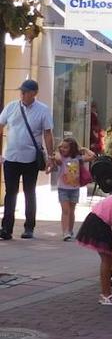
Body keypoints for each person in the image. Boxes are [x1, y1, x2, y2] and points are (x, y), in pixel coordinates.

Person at [0, 78, 57, 240]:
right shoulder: (11, 107)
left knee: (29, 192)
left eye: (25, 92)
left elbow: (47, 133)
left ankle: (29, 227)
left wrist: (51, 156)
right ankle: (6, 228)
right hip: (11, 157)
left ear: (34, 94)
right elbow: (0, 126)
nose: (22, 94)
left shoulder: (42, 110)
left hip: (31, 158)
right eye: (21, 91)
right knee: (10, 193)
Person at [54, 136, 94, 241]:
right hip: (62, 188)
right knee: (65, 210)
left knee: (72, 210)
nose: (63, 149)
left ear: (72, 149)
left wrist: (84, 149)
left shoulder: (77, 158)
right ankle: (65, 232)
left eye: (66, 147)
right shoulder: (61, 158)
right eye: (62, 147)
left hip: (75, 189)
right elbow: (57, 158)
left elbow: (92, 156)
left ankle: (70, 231)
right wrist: (58, 151)